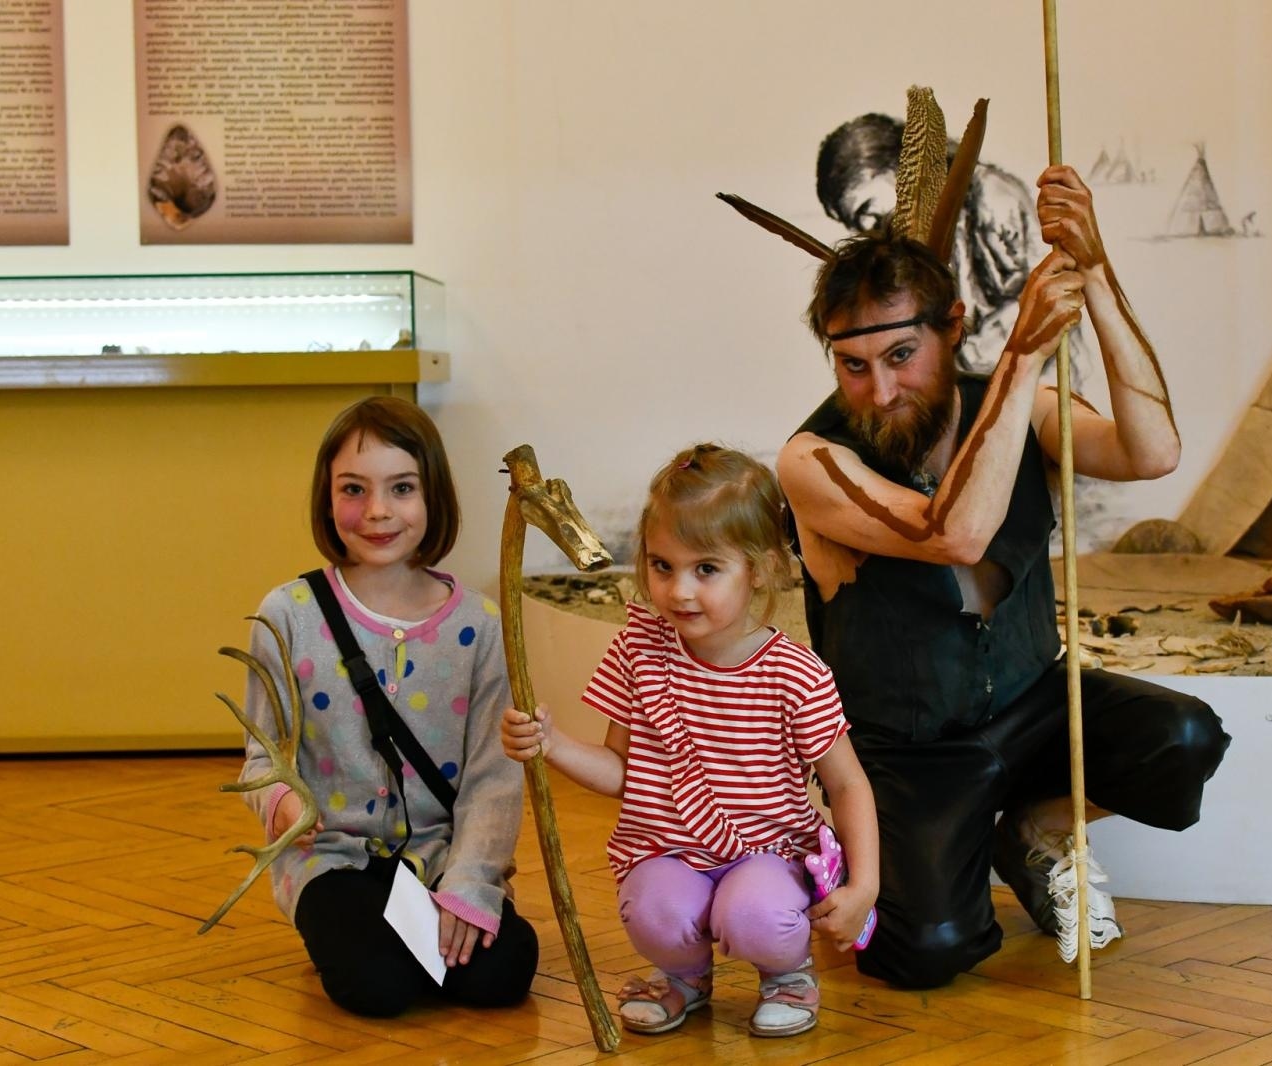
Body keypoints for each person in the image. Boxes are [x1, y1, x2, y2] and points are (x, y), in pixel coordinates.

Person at [778, 164, 1230, 990]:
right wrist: (1023, 353)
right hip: (913, 752)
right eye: (853, 365)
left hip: (1034, 706)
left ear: (953, 326)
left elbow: (1153, 451)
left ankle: (1034, 825)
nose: (880, 390)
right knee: (927, 953)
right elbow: (954, 533)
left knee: (1185, 736)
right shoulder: (813, 461)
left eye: (902, 355)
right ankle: (904, 852)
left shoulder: (1037, 409)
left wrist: (1095, 274)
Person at [501, 444, 878, 1038]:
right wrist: (552, 745)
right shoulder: (638, 653)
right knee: (654, 910)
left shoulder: (796, 673)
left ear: (758, 568)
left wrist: (865, 884)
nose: (678, 591)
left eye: (706, 569)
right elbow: (620, 771)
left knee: (755, 916)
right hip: (668, 850)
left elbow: (847, 782)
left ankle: (788, 974)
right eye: (661, 565)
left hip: (767, 856)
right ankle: (684, 978)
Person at [237, 396, 539, 1017]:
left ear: (434, 497)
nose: (377, 511)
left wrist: (467, 887)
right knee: (377, 984)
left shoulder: (482, 627)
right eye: (354, 489)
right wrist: (282, 800)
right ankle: (361, 936)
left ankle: (411, 931)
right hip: (331, 860)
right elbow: (261, 756)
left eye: (401, 488)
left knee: (504, 973)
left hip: (442, 856)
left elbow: (494, 777)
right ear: (327, 497)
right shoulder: (287, 614)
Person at [817, 111, 1044, 376]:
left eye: (865, 209)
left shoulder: (992, 196)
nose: (866, 227)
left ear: (899, 167)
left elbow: (1043, 303)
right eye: (854, 222)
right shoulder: (902, 251)